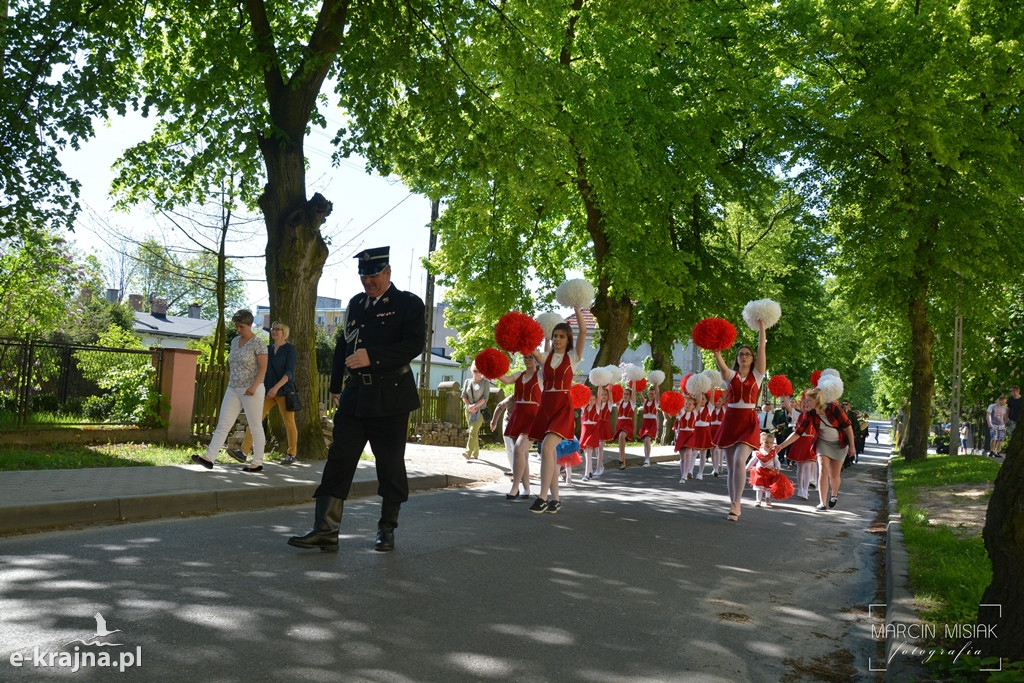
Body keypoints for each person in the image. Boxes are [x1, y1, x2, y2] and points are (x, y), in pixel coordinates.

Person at [288, 246, 425, 552]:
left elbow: (414, 344)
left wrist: (372, 357)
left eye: (374, 275)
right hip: (355, 396)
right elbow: (342, 345)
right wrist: (335, 385)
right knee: (339, 459)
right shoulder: (356, 304)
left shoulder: (407, 304)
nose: (368, 282)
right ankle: (325, 529)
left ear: (388, 272)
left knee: (389, 464)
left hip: (391, 397)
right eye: (364, 276)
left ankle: (387, 528)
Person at [525, 307, 586, 514]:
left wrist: (577, 306)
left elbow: (584, 332)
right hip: (546, 406)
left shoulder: (573, 357)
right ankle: (556, 499)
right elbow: (530, 346)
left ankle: (542, 497)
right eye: (555, 336)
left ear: (568, 339)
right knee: (547, 452)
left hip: (562, 407)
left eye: (561, 336)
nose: (558, 339)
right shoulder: (545, 358)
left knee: (548, 448)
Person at [192, 309, 268, 472]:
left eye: (241, 326)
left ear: (249, 325)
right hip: (233, 388)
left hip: (252, 389)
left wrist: (253, 387)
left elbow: (263, 367)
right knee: (223, 424)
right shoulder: (234, 341)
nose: (238, 330)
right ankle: (209, 458)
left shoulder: (258, 343)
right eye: (236, 326)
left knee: (255, 425)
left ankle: (257, 462)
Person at [713, 320, 768, 522]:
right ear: (737, 358)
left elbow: (762, 346)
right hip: (731, 421)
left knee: (739, 461)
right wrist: (717, 353)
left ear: (752, 359)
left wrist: (762, 326)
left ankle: (737, 503)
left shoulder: (757, 375)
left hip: (748, 421)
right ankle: (733, 504)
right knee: (730, 466)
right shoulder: (731, 376)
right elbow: (722, 368)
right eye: (741, 354)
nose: (744, 356)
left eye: (748, 354)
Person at [777, 387, 855, 511]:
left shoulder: (834, 408)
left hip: (839, 444)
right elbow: (798, 432)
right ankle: (822, 503)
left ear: (818, 399)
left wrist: (852, 446)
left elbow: (847, 426)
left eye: (809, 400)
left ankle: (834, 494)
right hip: (823, 443)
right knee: (823, 470)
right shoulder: (809, 414)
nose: (806, 403)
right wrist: (781, 446)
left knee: (834, 475)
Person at [235, 321, 298, 465]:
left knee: (289, 423)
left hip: (284, 391)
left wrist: (276, 388)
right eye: (273, 329)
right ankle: (243, 452)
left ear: (284, 332)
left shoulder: (290, 350)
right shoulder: (267, 349)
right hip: (267, 392)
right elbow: (261, 368)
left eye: (278, 329)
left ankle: (291, 453)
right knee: (255, 420)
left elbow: (289, 372)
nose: (274, 331)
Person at [497, 354, 541, 500]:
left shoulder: (540, 375)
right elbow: (505, 379)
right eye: (525, 357)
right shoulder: (519, 375)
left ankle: (515, 487)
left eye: (531, 357)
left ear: (536, 358)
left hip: (533, 417)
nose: (528, 360)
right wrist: (493, 368)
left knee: (518, 450)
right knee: (523, 454)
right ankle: (526, 488)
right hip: (518, 415)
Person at [785, 391, 818, 501]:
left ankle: (806, 490)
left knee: (808, 467)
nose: (805, 408)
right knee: (800, 467)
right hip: (800, 440)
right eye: (803, 406)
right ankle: (800, 488)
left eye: (807, 406)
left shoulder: (815, 415)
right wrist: (785, 396)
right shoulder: (798, 415)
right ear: (800, 406)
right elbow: (788, 407)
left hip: (810, 441)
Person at [461, 364, 492, 460]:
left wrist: (474, 406)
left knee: (472, 431)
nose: (477, 373)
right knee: (473, 432)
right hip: (468, 410)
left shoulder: (485, 383)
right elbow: (463, 395)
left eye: (479, 371)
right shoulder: (467, 381)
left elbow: (485, 398)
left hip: (480, 410)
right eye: (475, 371)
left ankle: (468, 452)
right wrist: (468, 406)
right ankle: (476, 453)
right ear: (472, 371)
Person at [747, 432, 781, 508]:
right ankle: (758, 500)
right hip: (760, 472)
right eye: (766, 442)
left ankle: (767, 498)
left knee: (768, 487)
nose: (768, 444)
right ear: (761, 443)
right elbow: (753, 461)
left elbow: (776, 462)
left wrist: (778, 467)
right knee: (759, 487)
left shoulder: (773, 453)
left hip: (770, 473)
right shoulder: (758, 452)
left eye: (771, 442)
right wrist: (747, 467)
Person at [489, 393, 516, 475]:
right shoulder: (512, 398)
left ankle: (519, 472)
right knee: (509, 447)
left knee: (516, 448)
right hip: (508, 421)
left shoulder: (530, 398)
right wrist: (494, 422)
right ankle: (514, 470)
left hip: (521, 423)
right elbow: (500, 406)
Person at [580, 390, 600, 481]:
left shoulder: (597, 407)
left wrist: (599, 383)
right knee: (586, 453)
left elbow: (599, 394)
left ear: (596, 400)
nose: (591, 401)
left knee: (588, 452)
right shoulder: (584, 407)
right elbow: (579, 399)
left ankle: (586, 474)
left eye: (593, 399)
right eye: (589, 399)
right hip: (585, 430)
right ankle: (590, 471)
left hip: (593, 430)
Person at [638, 384, 660, 468]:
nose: (651, 395)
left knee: (647, 439)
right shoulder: (645, 401)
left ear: (655, 395)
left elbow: (658, 393)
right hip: (645, 422)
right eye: (650, 393)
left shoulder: (656, 402)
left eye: (653, 394)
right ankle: (646, 459)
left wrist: (656, 383)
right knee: (645, 442)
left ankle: (648, 459)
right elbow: (640, 393)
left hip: (652, 423)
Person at [614, 387, 636, 470]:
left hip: (628, 424)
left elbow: (634, 391)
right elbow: (613, 394)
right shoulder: (619, 403)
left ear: (630, 396)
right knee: (621, 442)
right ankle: (624, 463)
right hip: (620, 423)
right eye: (624, 394)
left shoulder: (632, 403)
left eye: (627, 394)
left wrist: (634, 380)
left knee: (621, 436)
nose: (625, 395)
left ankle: (620, 456)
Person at [773, 396, 794, 468]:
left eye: (785, 404)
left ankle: (789, 461)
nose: (783, 405)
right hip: (779, 431)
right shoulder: (777, 412)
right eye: (782, 404)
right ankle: (780, 459)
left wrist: (783, 424)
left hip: (788, 430)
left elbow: (789, 421)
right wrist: (777, 426)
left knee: (788, 446)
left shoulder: (790, 411)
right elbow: (773, 421)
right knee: (780, 444)